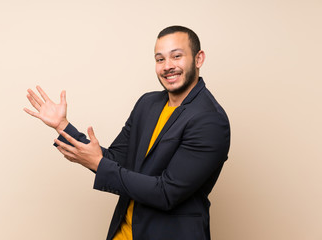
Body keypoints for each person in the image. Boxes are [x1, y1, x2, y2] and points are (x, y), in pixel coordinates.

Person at [24, 25, 230, 240]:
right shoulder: (147, 104)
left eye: (176, 56)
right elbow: (114, 161)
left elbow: (166, 193)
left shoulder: (210, 120)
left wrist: (98, 163)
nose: (168, 66)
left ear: (198, 59)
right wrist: (63, 125)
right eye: (160, 59)